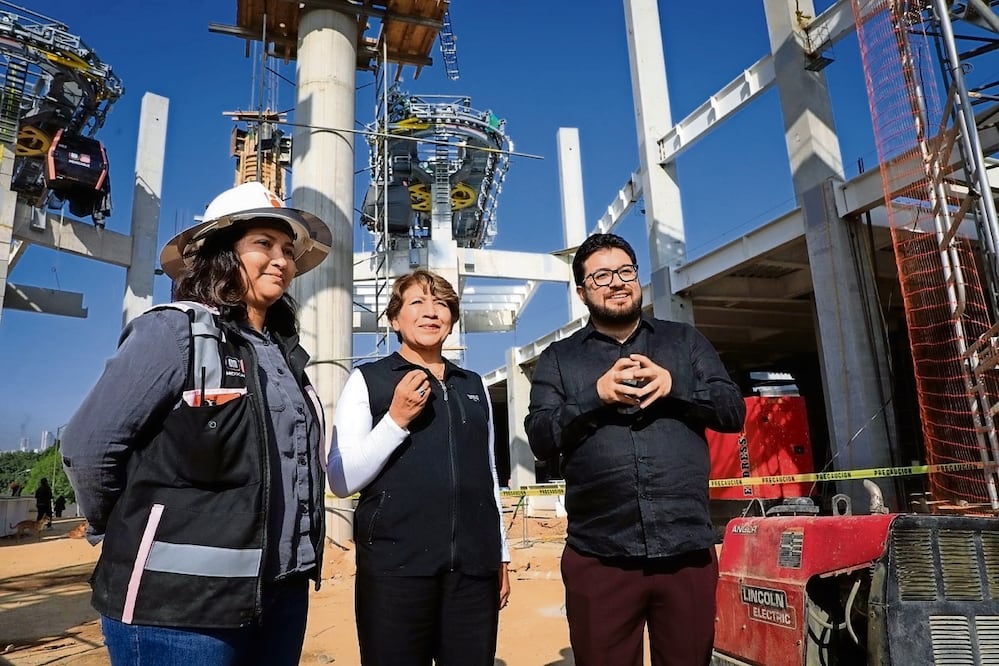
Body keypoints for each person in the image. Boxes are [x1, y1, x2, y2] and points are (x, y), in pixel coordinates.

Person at [61, 181, 332, 666]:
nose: (282, 260)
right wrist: (118, 524)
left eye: (289, 251)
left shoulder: (284, 356)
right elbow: (89, 446)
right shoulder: (174, 332)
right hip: (178, 608)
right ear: (222, 253)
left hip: (279, 594)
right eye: (264, 244)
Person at [525, 233, 746, 666]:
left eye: (626, 271)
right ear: (582, 291)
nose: (617, 282)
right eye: (601, 276)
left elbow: (732, 411)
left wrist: (675, 385)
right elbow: (540, 437)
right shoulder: (559, 359)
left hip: (686, 551)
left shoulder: (684, 342)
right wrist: (595, 395)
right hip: (600, 554)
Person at [328, 269, 511, 666]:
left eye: (441, 304)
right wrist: (395, 420)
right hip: (396, 570)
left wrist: (500, 553)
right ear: (395, 319)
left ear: (452, 319)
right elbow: (340, 479)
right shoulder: (369, 380)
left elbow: (489, 474)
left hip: (473, 570)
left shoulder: (474, 385)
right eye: (417, 303)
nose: (431, 312)